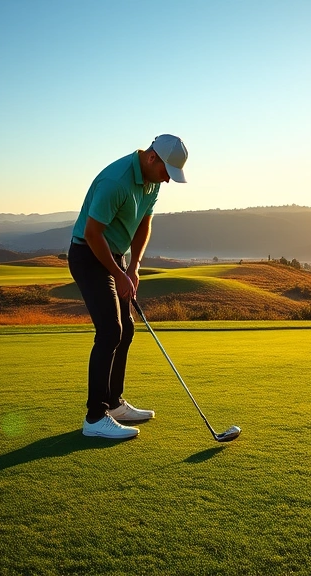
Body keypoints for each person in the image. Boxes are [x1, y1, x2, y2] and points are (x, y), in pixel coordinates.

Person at [68, 134, 188, 439]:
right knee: (110, 330)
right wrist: (117, 273)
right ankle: (95, 417)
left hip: (115, 256)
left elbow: (144, 224)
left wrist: (133, 267)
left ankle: (114, 403)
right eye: (166, 172)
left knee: (127, 329)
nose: (168, 180)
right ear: (152, 157)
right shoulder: (116, 181)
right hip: (88, 254)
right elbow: (92, 234)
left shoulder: (152, 182)